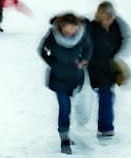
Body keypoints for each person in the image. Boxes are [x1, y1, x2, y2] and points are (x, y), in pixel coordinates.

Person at [38, 12, 92, 155]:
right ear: (61, 26)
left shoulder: (82, 34)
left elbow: (88, 48)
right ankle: (64, 138)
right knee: (64, 107)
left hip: (76, 77)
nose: (70, 32)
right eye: (67, 29)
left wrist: (83, 61)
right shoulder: (53, 34)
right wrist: (53, 64)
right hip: (59, 78)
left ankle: (68, 130)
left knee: (74, 107)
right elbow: (42, 50)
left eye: (73, 29)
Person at [88, 2, 131, 140]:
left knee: (108, 96)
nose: (108, 20)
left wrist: (118, 56)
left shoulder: (117, 25)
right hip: (95, 67)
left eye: (110, 17)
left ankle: (105, 126)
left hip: (110, 67)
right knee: (105, 94)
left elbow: (127, 39)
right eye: (105, 16)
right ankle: (105, 127)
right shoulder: (91, 27)